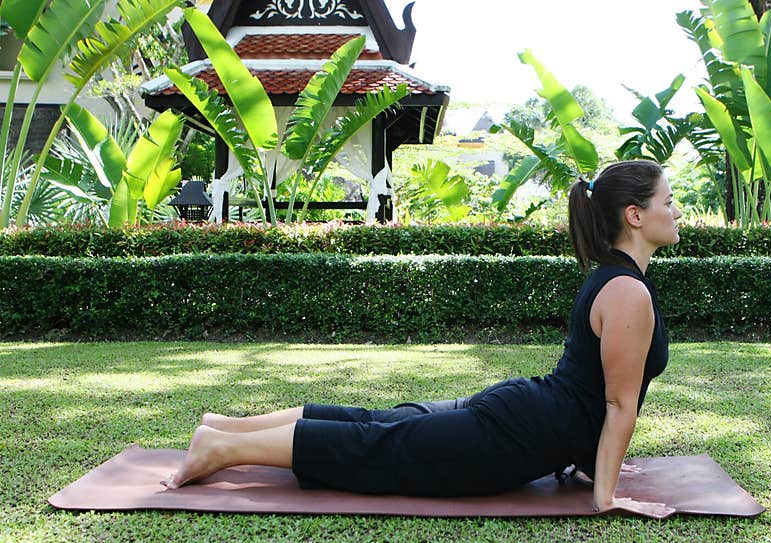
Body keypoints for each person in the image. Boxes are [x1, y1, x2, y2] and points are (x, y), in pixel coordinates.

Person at [162, 160, 682, 517]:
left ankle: (225, 428)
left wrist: (590, 464)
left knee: (383, 425)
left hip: (527, 417)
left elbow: (594, 394)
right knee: (381, 446)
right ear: (635, 215)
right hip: (519, 434)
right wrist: (606, 495)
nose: (677, 210)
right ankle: (224, 447)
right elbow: (616, 404)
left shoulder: (614, 279)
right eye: (669, 199)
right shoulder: (627, 291)